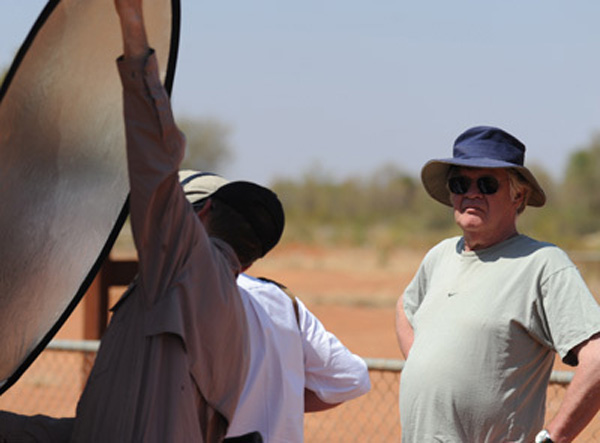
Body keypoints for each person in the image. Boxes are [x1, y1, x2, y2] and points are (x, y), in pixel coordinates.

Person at [68, 0, 284, 441]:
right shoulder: (236, 325)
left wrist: (133, 27)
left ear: (202, 214)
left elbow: (155, 158)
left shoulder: (186, 264)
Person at [395, 126, 600, 443]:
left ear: (518, 195)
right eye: (461, 183)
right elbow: (404, 309)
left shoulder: (543, 264)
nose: (471, 193)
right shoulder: (439, 256)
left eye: (487, 184)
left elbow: (597, 359)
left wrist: (552, 439)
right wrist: (425, 367)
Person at [179, 170, 371, 442]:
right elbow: (350, 378)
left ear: (200, 217)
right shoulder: (281, 301)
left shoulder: (173, 301)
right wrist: (284, 399)